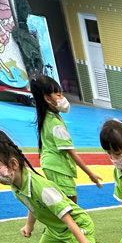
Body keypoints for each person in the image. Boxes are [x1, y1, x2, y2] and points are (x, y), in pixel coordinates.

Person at [29, 74, 103, 203]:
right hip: (57, 167)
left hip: (50, 165)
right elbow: (72, 153)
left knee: (59, 201)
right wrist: (90, 174)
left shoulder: (46, 117)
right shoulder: (56, 125)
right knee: (69, 201)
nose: (63, 98)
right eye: (58, 95)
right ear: (47, 98)